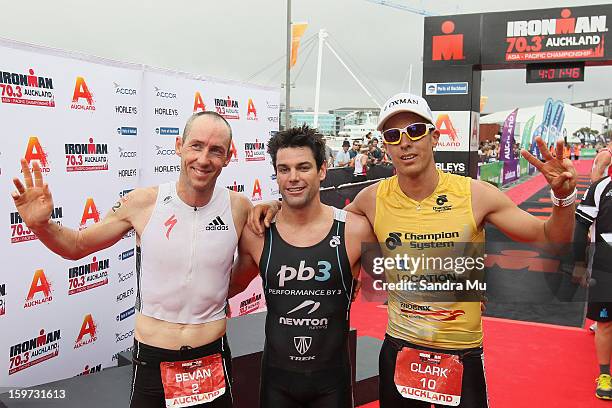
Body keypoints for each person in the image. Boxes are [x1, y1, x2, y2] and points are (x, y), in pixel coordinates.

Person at [249, 93, 577, 408]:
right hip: (400, 349)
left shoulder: (476, 195)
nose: (405, 142)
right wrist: (278, 204)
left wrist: (562, 200)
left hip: (459, 353)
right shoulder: (372, 199)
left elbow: (551, 239)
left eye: (415, 130)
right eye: (393, 135)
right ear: (386, 146)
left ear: (434, 137)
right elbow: (317, 217)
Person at [11, 111, 252, 408]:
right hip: (153, 358)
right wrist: (41, 225)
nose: (204, 159)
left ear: (229, 156)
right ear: (179, 146)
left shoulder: (239, 207)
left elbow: (254, 262)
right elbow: (76, 245)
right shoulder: (143, 202)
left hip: (211, 357)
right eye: (196, 146)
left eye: (216, 150)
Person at [229, 125, 376, 407]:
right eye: (284, 169)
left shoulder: (355, 231)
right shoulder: (258, 233)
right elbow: (229, 287)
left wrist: (458, 291)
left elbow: (400, 281)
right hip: (277, 383)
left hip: (332, 384)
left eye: (303, 167)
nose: (293, 178)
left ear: (322, 170)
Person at [573, 175, 612, 400]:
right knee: (605, 324)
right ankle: (605, 374)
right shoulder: (601, 187)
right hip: (606, 270)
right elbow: (581, 227)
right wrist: (579, 263)